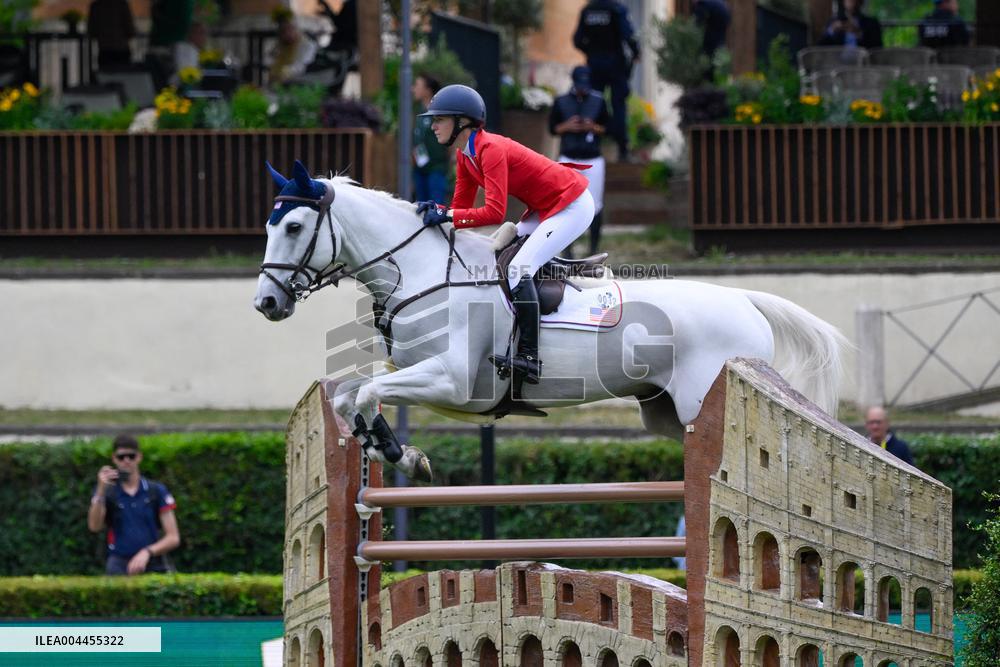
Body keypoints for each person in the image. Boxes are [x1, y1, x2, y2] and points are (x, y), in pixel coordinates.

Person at [415, 85, 595, 384]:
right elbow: (460, 211)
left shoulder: (490, 149)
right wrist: (437, 213)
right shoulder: (465, 156)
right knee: (498, 259)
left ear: (462, 122)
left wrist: (447, 215)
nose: (432, 126)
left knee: (516, 269)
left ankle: (529, 359)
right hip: (546, 207)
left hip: (572, 204)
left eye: (440, 119)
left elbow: (495, 213)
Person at [87, 435, 181, 575]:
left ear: (139, 457)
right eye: (121, 457)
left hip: (153, 563)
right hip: (119, 563)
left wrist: (147, 552)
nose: (127, 461)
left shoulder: (155, 491)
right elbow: (94, 526)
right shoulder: (109, 492)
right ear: (114, 458)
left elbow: (173, 537)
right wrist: (100, 491)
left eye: (131, 456)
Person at [549, 65, 611, 255]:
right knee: (565, 203)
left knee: (596, 204)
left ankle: (593, 248)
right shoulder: (561, 101)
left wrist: (593, 127)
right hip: (568, 157)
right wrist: (567, 126)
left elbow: (608, 128)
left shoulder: (599, 101)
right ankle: (567, 249)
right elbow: (552, 129)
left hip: (592, 158)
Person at [573, 0, 640, 162]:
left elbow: (577, 40)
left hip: (595, 64)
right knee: (619, 106)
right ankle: (622, 150)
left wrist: (591, 52)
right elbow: (628, 35)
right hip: (615, 64)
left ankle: (593, 146)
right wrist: (636, 52)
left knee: (593, 104)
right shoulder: (617, 9)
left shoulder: (587, 10)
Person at [412, 74, 450, 204]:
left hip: (436, 168)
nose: (413, 89)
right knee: (420, 206)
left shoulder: (439, 111)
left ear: (427, 90)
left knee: (436, 205)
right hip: (420, 168)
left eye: (417, 85)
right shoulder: (419, 112)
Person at [267, 14, 319, 87]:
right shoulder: (281, 44)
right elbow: (270, 58)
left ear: (296, 29)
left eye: (290, 29)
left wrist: (286, 71)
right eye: (283, 32)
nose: (287, 34)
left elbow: (302, 66)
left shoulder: (307, 45)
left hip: (299, 81)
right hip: (276, 81)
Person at [87, 0, 136, 70]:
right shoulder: (122, 4)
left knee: (106, 77)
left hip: (104, 50)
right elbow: (130, 30)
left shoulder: (96, 6)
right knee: (123, 76)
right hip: (121, 49)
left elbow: (92, 31)